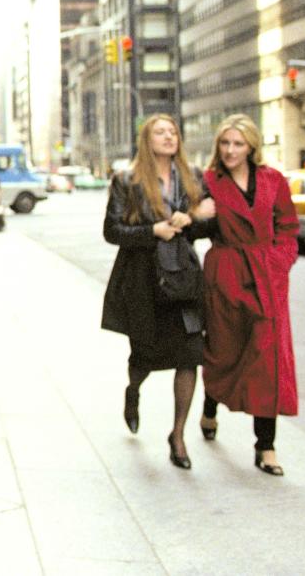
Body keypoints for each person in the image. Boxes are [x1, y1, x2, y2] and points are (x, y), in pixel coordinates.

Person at [101, 114, 215, 469]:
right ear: (146, 140)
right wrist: (154, 231)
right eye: (160, 132)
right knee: (145, 355)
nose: (168, 137)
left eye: (173, 131)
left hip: (182, 278)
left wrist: (192, 219)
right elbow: (112, 231)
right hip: (144, 280)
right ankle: (133, 391)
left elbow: (210, 223)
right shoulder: (127, 179)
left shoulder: (193, 178)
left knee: (190, 354)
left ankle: (177, 436)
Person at [199, 113, 300, 476]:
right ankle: (210, 408)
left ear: (252, 146)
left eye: (238, 144)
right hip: (225, 271)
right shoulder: (208, 181)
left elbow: (288, 226)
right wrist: (196, 214)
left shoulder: (273, 180)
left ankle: (266, 446)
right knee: (222, 351)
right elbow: (193, 224)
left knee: (267, 360)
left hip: (267, 278)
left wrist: (280, 261)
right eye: (224, 143)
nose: (230, 150)